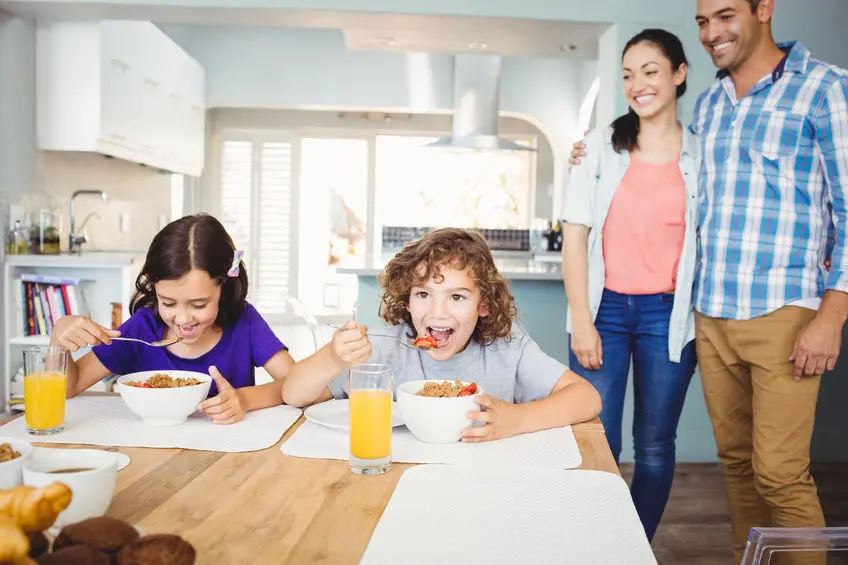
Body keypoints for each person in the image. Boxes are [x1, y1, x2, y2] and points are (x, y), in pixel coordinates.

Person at [568, 1, 848, 561]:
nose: (712, 32)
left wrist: (832, 310)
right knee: (731, 468)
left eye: (724, 15)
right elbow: (593, 228)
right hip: (675, 314)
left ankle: (628, 547)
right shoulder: (706, 111)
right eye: (702, 21)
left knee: (764, 471)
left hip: (736, 313)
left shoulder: (813, 93)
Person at [561, 28, 699, 542]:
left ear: (679, 74)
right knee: (596, 441)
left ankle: (629, 547)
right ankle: (591, 545)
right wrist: (581, 320)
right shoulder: (598, 148)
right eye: (627, 75)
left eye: (650, 71)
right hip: (606, 313)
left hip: (669, 316)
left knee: (656, 446)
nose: (637, 84)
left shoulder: (701, 156)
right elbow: (574, 236)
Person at [282, 227, 602, 442]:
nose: (438, 312)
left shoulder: (506, 347)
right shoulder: (384, 349)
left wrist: (517, 420)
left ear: (484, 305)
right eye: (424, 294)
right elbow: (294, 395)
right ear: (407, 300)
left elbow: (586, 397)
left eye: (457, 297)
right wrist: (332, 357)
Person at [50, 214, 369, 425]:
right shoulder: (142, 329)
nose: (183, 318)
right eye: (168, 302)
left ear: (225, 287)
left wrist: (245, 399)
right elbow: (70, 387)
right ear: (153, 286)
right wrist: (58, 342)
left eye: (199, 304)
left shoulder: (243, 322)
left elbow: (295, 385)